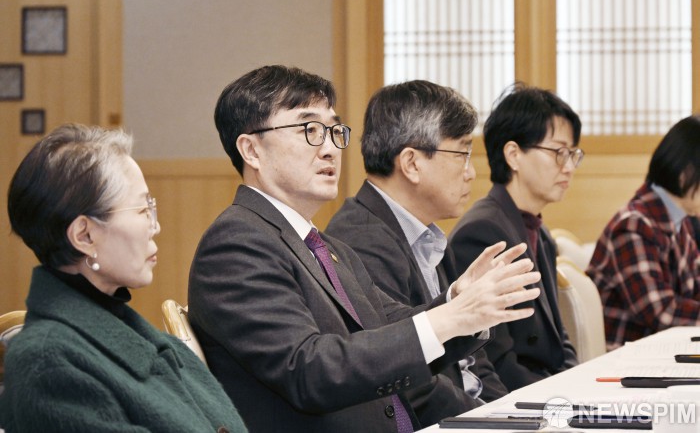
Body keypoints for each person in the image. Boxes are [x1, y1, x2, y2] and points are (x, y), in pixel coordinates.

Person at [188, 65, 541, 433]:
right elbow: (308, 370)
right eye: (309, 130)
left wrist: (459, 303)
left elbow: (391, 327)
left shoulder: (326, 246)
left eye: (333, 131)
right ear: (251, 150)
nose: (329, 149)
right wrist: (450, 317)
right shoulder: (236, 242)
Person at [0, 124, 247, 433]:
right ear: (85, 235)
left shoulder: (131, 334)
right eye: (143, 210)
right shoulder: (48, 365)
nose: (155, 227)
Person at [326, 80, 509, 406]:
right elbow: (408, 385)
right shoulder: (361, 241)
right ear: (411, 163)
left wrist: (506, 410)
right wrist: (490, 420)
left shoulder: (428, 233)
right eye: (463, 153)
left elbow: (472, 362)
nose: (471, 172)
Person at [448, 83, 581, 391]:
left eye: (573, 154)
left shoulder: (538, 231)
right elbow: (494, 359)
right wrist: (562, 396)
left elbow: (559, 340)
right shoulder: (482, 233)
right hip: (515, 398)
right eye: (558, 152)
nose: (569, 167)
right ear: (513, 155)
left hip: (546, 387)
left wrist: (578, 382)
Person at [587, 114, 700, 350]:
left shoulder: (681, 221)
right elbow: (662, 312)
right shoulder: (634, 225)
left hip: (661, 352)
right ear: (685, 173)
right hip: (625, 360)